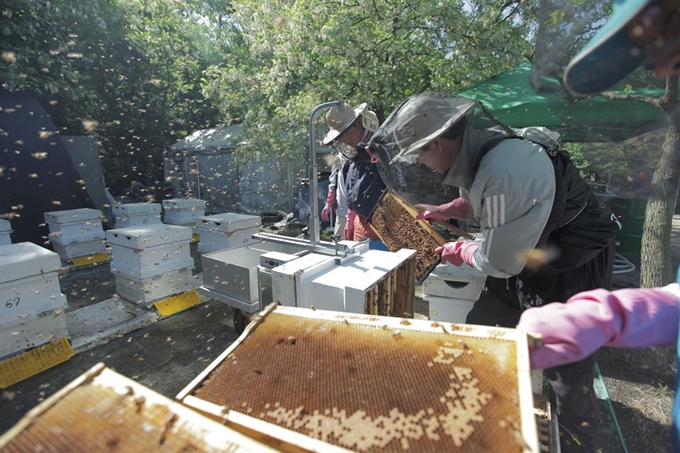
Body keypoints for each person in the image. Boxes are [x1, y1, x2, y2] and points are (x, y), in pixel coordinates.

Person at [369, 92, 621, 452]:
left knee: (567, 377)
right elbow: (484, 201)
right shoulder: (487, 151)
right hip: (531, 258)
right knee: (480, 331)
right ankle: (477, 413)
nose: (421, 163)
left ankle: (577, 444)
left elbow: (501, 260)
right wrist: (448, 209)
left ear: (438, 142)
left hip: (570, 270)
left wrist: (462, 249)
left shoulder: (506, 170)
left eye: (421, 153)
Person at [323, 102, 386, 244]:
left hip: (385, 225)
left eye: (347, 133)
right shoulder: (355, 157)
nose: (345, 139)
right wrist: (350, 216)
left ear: (359, 123)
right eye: (341, 136)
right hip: (361, 225)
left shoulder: (381, 151)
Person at [321, 152, 350, 239]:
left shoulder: (359, 159)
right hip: (342, 211)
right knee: (339, 243)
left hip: (358, 214)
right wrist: (328, 203)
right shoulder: (338, 162)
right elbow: (333, 185)